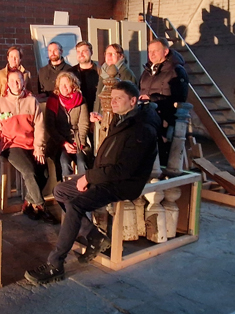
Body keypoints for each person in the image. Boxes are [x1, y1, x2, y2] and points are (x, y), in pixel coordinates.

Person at [26, 81, 160, 285]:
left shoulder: (141, 128)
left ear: (133, 101)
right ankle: (94, 235)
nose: (113, 102)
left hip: (123, 184)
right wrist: (91, 175)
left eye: (119, 98)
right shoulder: (122, 119)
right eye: (112, 98)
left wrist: (89, 177)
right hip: (106, 176)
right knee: (60, 191)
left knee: (76, 205)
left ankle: (55, 264)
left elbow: (124, 170)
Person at [0, 70, 54, 223]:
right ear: (8, 83)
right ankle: (41, 206)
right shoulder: (0, 103)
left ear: (23, 82)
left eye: (19, 80)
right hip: (11, 145)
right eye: (12, 81)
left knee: (44, 173)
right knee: (29, 171)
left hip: (30, 144)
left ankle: (28, 203)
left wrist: (39, 148)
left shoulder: (32, 101)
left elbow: (39, 127)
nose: (16, 83)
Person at [138, 38, 189, 165]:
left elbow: (180, 99)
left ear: (165, 52)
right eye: (149, 51)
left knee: (163, 158)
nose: (151, 54)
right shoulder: (146, 71)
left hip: (165, 121)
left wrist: (152, 99)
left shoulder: (176, 71)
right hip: (147, 118)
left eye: (155, 51)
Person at [46, 72, 89, 179]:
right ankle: (67, 187)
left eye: (67, 84)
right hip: (59, 141)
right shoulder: (53, 100)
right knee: (64, 162)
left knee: (82, 161)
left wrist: (79, 143)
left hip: (77, 140)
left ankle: (84, 187)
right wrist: (63, 143)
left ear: (73, 85)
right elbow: (50, 126)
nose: (64, 87)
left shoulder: (81, 100)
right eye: (61, 85)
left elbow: (83, 124)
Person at [90, 44, 137, 143]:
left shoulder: (126, 74)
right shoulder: (103, 72)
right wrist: (95, 112)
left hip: (115, 120)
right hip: (100, 119)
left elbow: (127, 101)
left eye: (113, 54)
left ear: (121, 56)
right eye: (107, 54)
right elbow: (98, 96)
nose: (109, 56)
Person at [71, 41, 100, 113]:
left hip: (97, 112)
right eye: (78, 52)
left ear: (91, 52)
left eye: (84, 51)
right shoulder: (70, 73)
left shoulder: (100, 72)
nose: (81, 54)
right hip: (78, 112)